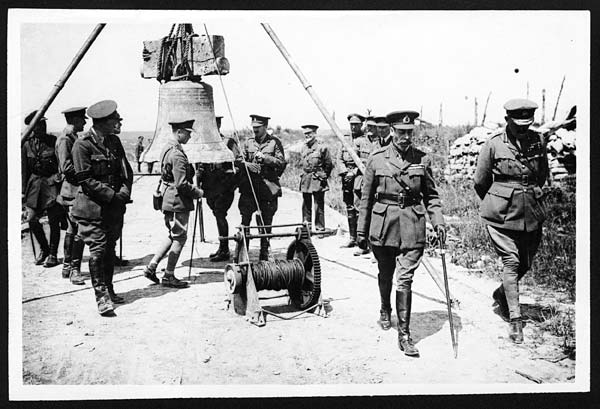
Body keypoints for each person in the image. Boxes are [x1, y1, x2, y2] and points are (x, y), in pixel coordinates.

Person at [357, 110, 446, 357]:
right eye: (401, 132)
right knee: (385, 272)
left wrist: (438, 222)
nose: (406, 137)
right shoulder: (376, 159)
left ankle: (404, 335)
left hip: (412, 226)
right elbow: (365, 199)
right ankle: (385, 308)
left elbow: (432, 196)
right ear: (392, 132)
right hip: (384, 226)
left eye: (410, 132)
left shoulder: (422, 159)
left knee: (404, 278)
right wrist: (361, 231)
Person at [474, 98, 549, 344]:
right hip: (501, 213)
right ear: (507, 120)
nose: (523, 129)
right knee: (511, 261)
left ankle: (502, 293)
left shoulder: (538, 141)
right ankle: (515, 319)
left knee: (526, 262)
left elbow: (542, 174)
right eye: (518, 124)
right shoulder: (494, 144)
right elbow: (480, 181)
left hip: (531, 211)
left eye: (527, 124)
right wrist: (497, 201)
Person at [71, 100, 133, 316]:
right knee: (97, 251)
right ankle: (102, 297)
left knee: (109, 250)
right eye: (115, 119)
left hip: (114, 208)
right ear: (103, 122)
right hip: (92, 209)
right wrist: (113, 196)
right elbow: (85, 179)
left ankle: (109, 288)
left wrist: (124, 194)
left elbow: (126, 172)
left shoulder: (114, 142)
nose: (119, 122)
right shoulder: (83, 144)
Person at [143, 118, 204, 288]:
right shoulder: (177, 154)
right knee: (180, 237)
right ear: (179, 132)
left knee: (173, 235)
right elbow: (182, 184)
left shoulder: (167, 148)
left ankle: (152, 266)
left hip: (168, 198)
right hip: (178, 201)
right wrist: (198, 192)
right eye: (188, 133)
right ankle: (169, 275)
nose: (190, 137)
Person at [238, 114, 287, 261]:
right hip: (250, 188)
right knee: (245, 219)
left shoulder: (275, 143)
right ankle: (243, 251)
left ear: (265, 127)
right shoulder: (248, 142)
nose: (255, 131)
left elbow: (281, 163)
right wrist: (247, 165)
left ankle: (264, 252)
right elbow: (240, 160)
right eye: (253, 128)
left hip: (268, 188)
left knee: (266, 221)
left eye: (258, 128)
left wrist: (266, 159)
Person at [195, 115, 242, 262]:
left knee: (220, 214)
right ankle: (222, 248)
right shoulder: (204, 143)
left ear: (219, 125)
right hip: (210, 188)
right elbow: (201, 163)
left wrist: (231, 181)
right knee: (217, 214)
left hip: (224, 187)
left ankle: (224, 249)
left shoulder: (228, 142)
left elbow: (239, 163)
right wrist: (199, 175)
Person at [22, 110, 64, 267]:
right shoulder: (26, 144)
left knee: (54, 221)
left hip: (51, 184)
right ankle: (44, 249)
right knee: (32, 219)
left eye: (44, 123)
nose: (43, 127)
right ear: (33, 127)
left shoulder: (53, 141)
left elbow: (60, 162)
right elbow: (24, 169)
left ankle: (53, 254)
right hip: (34, 185)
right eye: (39, 124)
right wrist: (23, 191)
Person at [55, 106, 87, 285]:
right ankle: (74, 269)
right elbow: (67, 168)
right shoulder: (66, 139)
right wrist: (86, 175)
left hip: (72, 191)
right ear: (75, 119)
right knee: (78, 230)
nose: (84, 122)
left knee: (72, 229)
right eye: (82, 119)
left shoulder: (72, 136)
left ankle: (68, 267)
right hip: (72, 191)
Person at [336, 113, 372, 250]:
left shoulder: (365, 141)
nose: (353, 127)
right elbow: (338, 158)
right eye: (351, 124)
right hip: (346, 178)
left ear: (361, 125)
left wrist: (354, 172)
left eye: (356, 125)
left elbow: (366, 161)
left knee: (359, 208)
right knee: (349, 207)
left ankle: (362, 240)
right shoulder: (344, 139)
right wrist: (345, 171)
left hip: (358, 178)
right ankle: (352, 238)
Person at [299, 124, 334, 231]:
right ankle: (307, 228)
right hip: (306, 179)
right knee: (306, 204)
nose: (307, 136)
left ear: (315, 133)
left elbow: (328, 164)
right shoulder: (304, 147)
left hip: (317, 179)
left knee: (318, 205)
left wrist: (323, 176)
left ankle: (319, 227)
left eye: (309, 133)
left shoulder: (322, 147)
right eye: (305, 134)